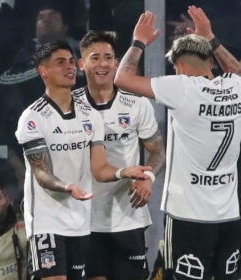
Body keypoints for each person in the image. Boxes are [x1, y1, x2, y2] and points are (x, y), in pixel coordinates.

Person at [114, 6, 241, 280]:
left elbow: (122, 79)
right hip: (229, 215)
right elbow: (235, 69)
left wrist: (138, 42)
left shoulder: (182, 87)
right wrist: (211, 38)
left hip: (187, 217)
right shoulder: (235, 87)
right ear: (211, 62)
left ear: (179, 67)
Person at [15, 40, 153, 280]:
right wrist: (66, 186)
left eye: (71, 62)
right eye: (60, 63)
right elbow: (40, 172)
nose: (69, 67)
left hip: (81, 224)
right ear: (43, 71)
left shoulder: (90, 115)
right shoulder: (33, 117)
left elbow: (99, 169)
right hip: (47, 223)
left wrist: (124, 172)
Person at [74, 30, 165, 280]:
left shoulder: (137, 105)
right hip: (84, 219)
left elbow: (157, 151)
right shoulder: (68, 108)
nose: (102, 64)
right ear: (82, 64)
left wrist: (148, 178)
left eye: (108, 57)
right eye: (95, 57)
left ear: (116, 63)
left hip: (129, 217)